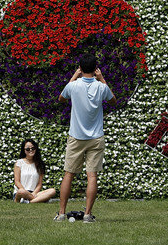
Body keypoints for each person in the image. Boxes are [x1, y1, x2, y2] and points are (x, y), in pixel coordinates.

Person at [54, 54, 116, 223]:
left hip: (76, 136)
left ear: (80, 68)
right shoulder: (101, 87)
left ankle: (61, 214)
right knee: (92, 176)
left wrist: (74, 76)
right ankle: (88, 215)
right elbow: (113, 101)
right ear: (95, 69)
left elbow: (61, 98)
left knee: (69, 174)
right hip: (96, 137)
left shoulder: (73, 86)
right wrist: (102, 79)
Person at [13, 139, 56, 204]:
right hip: (22, 192)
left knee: (52, 191)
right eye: (28, 149)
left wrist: (34, 193)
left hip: (34, 193)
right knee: (21, 191)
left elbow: (39, 184)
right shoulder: (19, 163)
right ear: (24, 150)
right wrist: (25, 192)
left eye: (33, 148)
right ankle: (38, 200)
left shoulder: (39, 164)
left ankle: (30, 201)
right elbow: (17, 182)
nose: (31, 150)